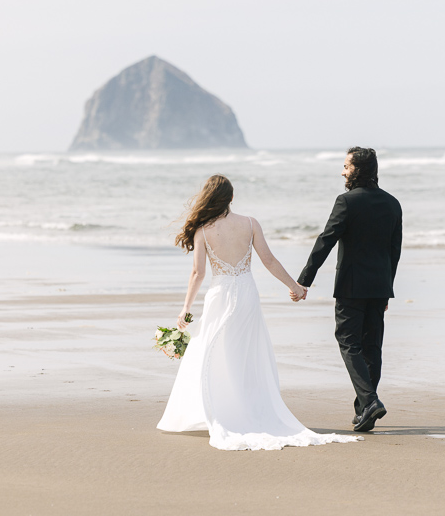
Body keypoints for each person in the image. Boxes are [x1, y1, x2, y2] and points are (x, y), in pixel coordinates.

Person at [156, 174, 361, 451]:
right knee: (246, 352)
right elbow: (269, 260)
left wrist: (186, 308)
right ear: (231, 198)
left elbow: (198, 273)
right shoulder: (250, 223)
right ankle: (246, 407)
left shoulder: (203, 230)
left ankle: (224, 408)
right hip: (247, 294)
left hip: (220, 295)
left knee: (214, 351)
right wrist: (295, 286)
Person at [292, 147, 402, 432]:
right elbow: (395, 251)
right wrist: (387, 287)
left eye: (346, 166)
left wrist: (304, 280)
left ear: (359, 170)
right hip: (379, 287)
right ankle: (363, 409)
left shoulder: (346, 202)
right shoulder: (393, 203)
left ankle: (369, 401)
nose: (343, 171)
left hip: (352, 287)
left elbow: (326, 240)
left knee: (348, 342)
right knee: (372, 347)